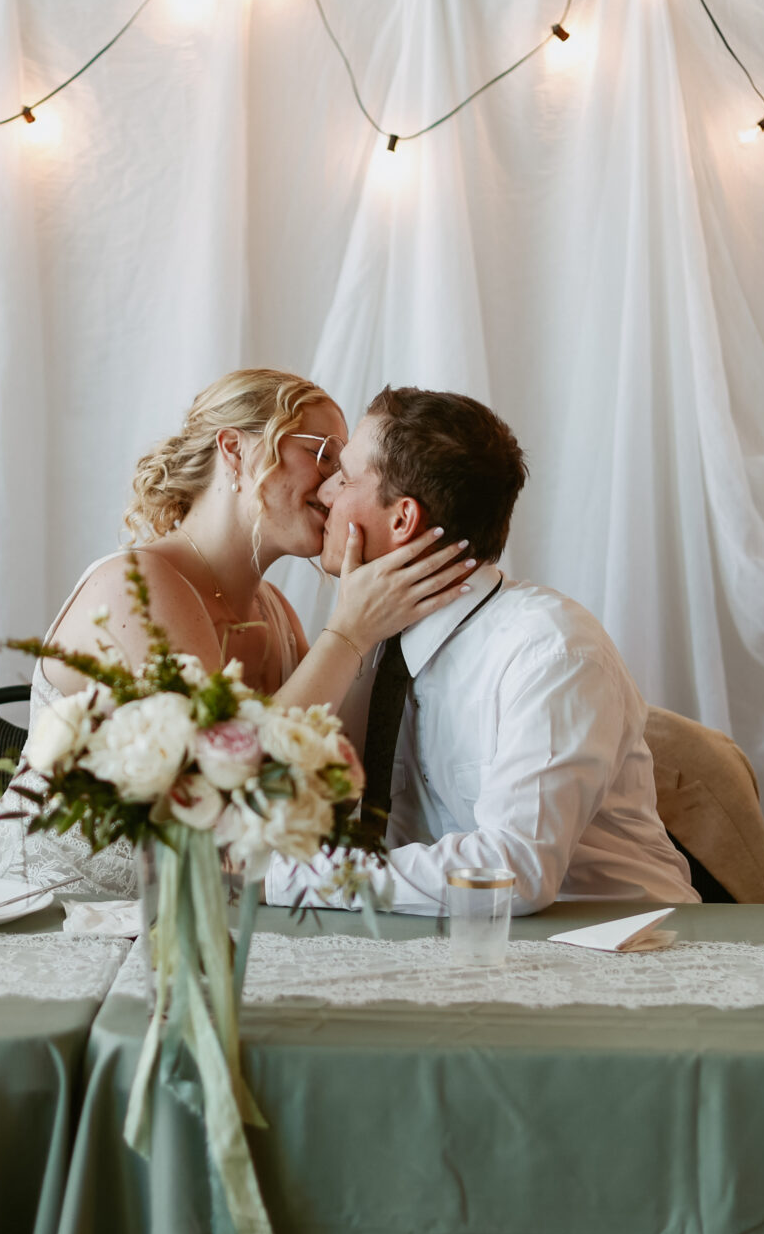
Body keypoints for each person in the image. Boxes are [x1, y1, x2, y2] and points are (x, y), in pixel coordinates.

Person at [0, 369, 473, 897]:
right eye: (323, 455)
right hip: (6, 911)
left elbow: (313, 790)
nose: (330, 488)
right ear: (235, 449)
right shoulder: (137, 583)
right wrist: (349, 631)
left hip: (156, 928)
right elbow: (221, 786)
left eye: (343, 470)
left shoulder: (277, 613)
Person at [266, 385, 698, 916]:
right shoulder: (369, 637)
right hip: (447, 947)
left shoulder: (550, 653)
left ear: (402, 520)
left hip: (615, 946)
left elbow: (512, 873)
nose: (325, 491)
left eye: (346, 477)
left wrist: (290, 877)